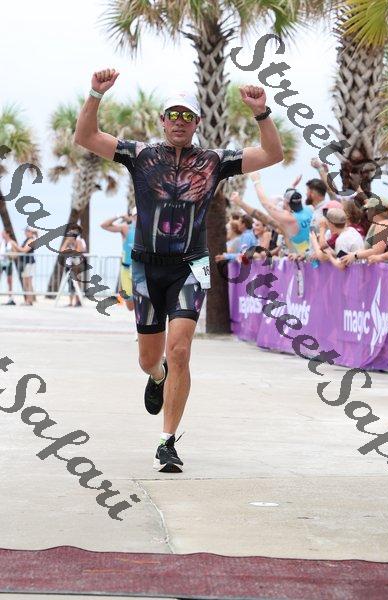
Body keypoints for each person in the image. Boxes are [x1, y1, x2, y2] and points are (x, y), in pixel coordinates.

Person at [74, 68, 283, 472]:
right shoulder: (139, 155)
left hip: (191, 266)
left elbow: (272, 154)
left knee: (181, 350)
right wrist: (95, 94)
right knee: (149, 359)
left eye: (187, 116)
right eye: (173, 115)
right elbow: (86, 136)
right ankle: (157, 377)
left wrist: (261, 112)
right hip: (146, 267)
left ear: (197, 123)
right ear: (162, 120)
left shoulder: (214, 161)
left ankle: (166, 441)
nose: (179, 122)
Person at [236, 173, 313, 255]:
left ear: (286, 203)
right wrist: (293, 186)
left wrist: (256, 181)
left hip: (299, 259)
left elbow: (264, 206)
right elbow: (290, 199)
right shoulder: (309, 210)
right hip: (306, 253)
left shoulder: (288, 220)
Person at [101, 208, 137, 312]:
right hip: (126, 270)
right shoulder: (125, 228)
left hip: (141, 270)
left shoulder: (148, 230)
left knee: (145, 301)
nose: (138, 218)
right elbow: (104, 225)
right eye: (136, 215)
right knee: (130, 306)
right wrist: (119, 215)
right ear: (132, 217)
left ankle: (142, 319)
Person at [341, 196, 388, 266]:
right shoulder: (377, 224)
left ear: (374, 210)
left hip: (384, 269)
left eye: (368, 209)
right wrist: (353, 254)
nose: (367, 212)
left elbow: (377, 252)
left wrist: (355, 255)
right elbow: (367, 248)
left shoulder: (383, 225)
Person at [60, 224, 87, 307]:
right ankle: (71, 302)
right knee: (70, 282)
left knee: (77, 282)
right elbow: (62, 250)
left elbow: (78, 251)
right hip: (69, 264)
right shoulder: (68, 242)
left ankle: (78, 301)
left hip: (78, 264)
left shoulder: (79, 240)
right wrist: (67, 242)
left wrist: (69, 251)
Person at [11, 227, 37, 306]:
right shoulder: (26, 240)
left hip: (29, 263)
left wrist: (15, 245)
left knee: (28, 282)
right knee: (25, 283)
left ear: (30, 232)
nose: (25, 233)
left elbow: (24, 250)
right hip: (25, 263)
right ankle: (28, 300)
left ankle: (29, 301)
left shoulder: (31, 240)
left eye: (26, 231)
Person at [0, 229, 16, 305]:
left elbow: (16, 254)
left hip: (9, 263)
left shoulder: (12, 243)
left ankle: (10, 299)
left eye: (3, 233)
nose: (1, 235)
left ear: (7, 234)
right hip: (1, 263)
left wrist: (10, 255)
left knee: (9, 281)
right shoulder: (1, 242)